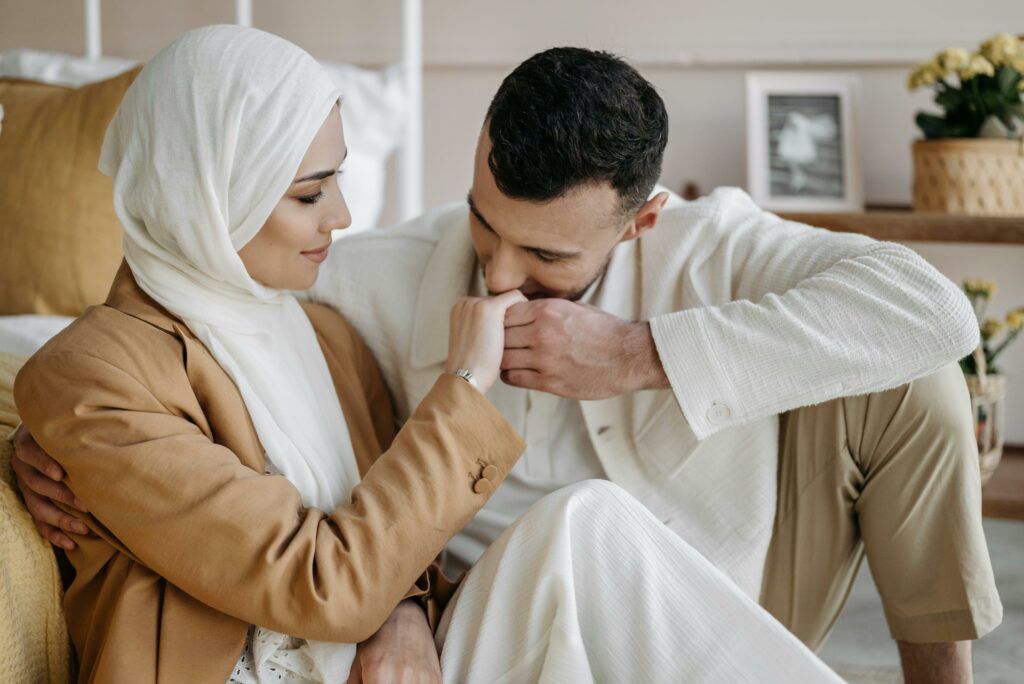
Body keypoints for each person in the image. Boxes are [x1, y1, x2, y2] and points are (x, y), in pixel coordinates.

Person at [11, 25, 847, 684]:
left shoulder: (325, 333)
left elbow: (390, 539)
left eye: (336, 180)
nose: (341, 216)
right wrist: (464, 383)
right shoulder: (96, 375)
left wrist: (405, 614)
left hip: (389, 662)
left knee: (586, 526)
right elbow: (319, 582)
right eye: (309, 194)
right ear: (204, 196)